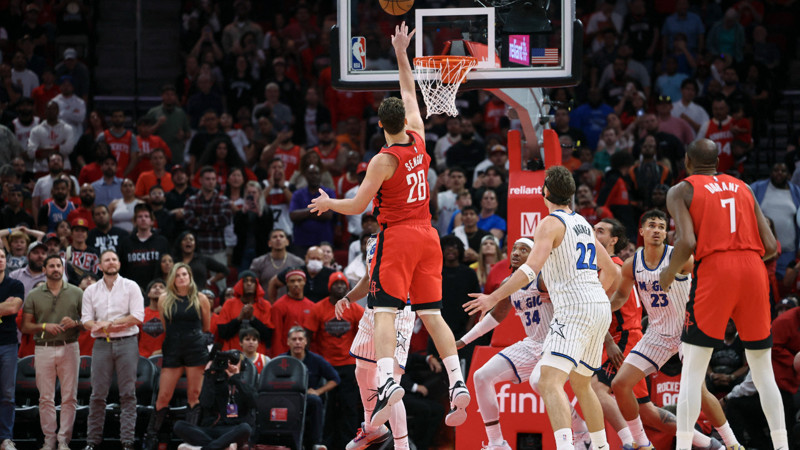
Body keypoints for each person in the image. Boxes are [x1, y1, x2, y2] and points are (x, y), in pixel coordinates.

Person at [309, 23, 470, 429]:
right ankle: (456, 380)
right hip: (429, 236)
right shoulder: (418, 136)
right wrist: (402, 53)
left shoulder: (383, 160)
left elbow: (360, 204)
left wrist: (330, 202)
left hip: (397, 236)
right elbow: (410, 91)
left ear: (380, 123)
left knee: (382, 310)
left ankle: (384, 382)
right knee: (432, 315)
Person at [465, 165, 619, 450]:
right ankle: (600, 446)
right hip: (598, 307)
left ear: (544, 192)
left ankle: (565, 447)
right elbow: (612, 272)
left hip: (575, 309)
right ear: (570, 193)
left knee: (548, 380)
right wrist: (595, 296)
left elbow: (528, 271)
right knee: (583, 385)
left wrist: (493, 297)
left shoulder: (550, 223)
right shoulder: (584, 223)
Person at [660, 138, 789, 450]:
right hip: (754, 268)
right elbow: (771, 246)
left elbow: (687, 242)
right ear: (716, 162)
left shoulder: (681, 189)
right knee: (762, 369)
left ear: (687, 163)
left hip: (717, 269)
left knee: (692, 368)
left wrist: (668, 273)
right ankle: (783, 446)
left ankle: (682, 447)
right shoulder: (744, 187)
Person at [607, 210, 736, 449]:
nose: (657, 230)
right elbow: (622, 295)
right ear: (642, 231)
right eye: (652, 226)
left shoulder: (679, 258)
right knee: (620, 385)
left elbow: (707, 283)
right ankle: (642, 443)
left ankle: (731, 443)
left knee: (697, 390)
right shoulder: (631, 265)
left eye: (662, 227)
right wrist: (603, 310)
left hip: (687, 331)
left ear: (667, 233)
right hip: (657, 333)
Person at [457, 238, 591, 449]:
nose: (516, 253)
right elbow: (496, 317)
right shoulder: (508, 284)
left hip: (557, 342)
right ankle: (496, 443)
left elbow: (573, 303)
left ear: (535, 255)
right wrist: (464, 340)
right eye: (514, 249)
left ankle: (580, 429)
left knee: (539, 382)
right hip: (533, 344)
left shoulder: (544, 278)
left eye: (524, 250)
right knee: (481, 377)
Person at [80, 250, 144, 450]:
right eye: (107, 260)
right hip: (101, 345)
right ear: (100, 266)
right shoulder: (90, 290)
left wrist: (110, 322)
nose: (111, 262)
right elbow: (86, 320)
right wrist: (98, 325)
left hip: (127, 342)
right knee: (97, 394)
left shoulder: (131, 286)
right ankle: (92, 442)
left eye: (114, 259)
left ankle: (127, 442)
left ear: (119, 263)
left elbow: (137, 317)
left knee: (128, 394)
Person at [144, 263, 211, 450]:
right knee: (163, 396)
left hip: (196, 349)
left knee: (194, 395)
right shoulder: (164, 298)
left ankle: (191, 441)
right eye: (178, 275)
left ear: (190, 277)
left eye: (185, 274)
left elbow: (206, 326)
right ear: (172, 278)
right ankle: (151, 439)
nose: (182, 278)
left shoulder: (201, 298)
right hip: (173, 349)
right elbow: (166, 326)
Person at [21, 254, 83, 450]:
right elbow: (25, 326)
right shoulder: (34, 295)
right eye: (52, 266)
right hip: (43, 348)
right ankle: (49, 439)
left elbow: (88, 322)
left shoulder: (76, 292)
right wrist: (44, 326)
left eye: (59, 265)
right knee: (45, 397)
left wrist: (76, 323)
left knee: (69, 396)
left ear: (63, 269)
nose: (56, 268)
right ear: (44, 269)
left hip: (70, 345)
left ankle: (64, 440)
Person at [304, 272, 363, 449]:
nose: (340, 286)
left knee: (349, 408)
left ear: (347, 287)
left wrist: (360, 365)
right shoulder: (318, 308)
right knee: (327, 409)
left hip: (349, 365)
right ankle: (325, 444)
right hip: (326, 367)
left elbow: (365, 337)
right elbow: (307, 336)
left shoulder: (355, 309)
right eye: (336, 283)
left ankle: (350, 444)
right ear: (330, 287)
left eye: (343, 284)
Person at [173, 350, 256, 450]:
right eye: (227, 362)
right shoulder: (214, 380)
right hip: (210, 429)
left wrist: (235, 379)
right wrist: (209, 375)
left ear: (242, 365)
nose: (229, 365)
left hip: (232, 430)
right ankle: (222, 446)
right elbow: (205, 403)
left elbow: (254, 402)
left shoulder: (243, 383)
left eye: (233, 362)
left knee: (245, 429)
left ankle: (204, 448)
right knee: (179, 426)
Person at [284, 326, 339, 450]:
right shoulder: (281, 360)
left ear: (305, 341)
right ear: (288, 342)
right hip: (286, 398)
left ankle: (316, 443)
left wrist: (318, 391)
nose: (297, 342)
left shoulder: (316, 359)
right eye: (294, 339)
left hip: (306, 398)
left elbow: (335, 379)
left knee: (315, 401)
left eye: (300, 339)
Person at [214, 271, 273, 354]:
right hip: (232, 353)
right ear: (239, 284)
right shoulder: (229, 304)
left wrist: (252, 319)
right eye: (245, 281)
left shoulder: (265, 305)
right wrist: (239, 318)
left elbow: (268, 336)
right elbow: (222, 334)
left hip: (257, 354)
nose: (249, 284)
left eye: (252, 281)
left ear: (257, 285)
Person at [0, 248, 24, 450]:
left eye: (1, 257)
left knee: (7, 393)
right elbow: (6, 308)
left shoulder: (15, 284)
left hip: (8, 343)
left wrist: (7, 307)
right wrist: (3, 307)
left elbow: (13, 308)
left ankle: (5, 438)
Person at [183, 166, 232, 265]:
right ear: (201, 180)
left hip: (218, 249)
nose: (211, 182)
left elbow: (225, 220)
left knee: (220, 280)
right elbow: (190, 222)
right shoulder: (191, 201)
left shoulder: (223, 200)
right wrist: (214, 221)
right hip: (198, 249)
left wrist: (201, 218)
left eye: (213, 179)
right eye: (208, 179)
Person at [118, 203, 171, 288]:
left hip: (157, 288)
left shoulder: (162, 242)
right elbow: (121, 268)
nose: (143, 219)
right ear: (135, 221)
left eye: (146, 216)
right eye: (140, 217)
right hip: (131, 289)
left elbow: (168, 267)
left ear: (152, 221)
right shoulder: (126, 243)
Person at [250, 229, 303, 297]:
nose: (278, 239)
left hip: (289, 304)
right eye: (274, 237)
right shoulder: (258, 262)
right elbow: (252, 286)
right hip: (265, 305)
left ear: (287, 242)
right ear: (269, 243)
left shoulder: (298, 262)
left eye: (281, 236)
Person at [139, 279, 166, 358]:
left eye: (161, 287)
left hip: (165, 357)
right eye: (154, 287)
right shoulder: (140, 314)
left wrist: (162, 351)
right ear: (148, 294)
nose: (157, 288)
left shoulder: (171, 314)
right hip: (142, 359)